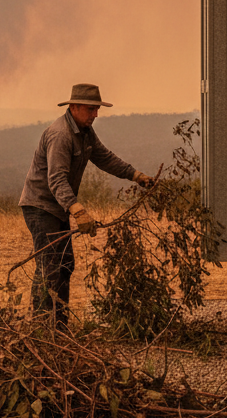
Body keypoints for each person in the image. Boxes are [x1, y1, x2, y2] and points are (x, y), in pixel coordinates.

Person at [18, 83, 152, 327]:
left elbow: (105, 158)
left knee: (65, 264)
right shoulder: (61, 135)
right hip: (40, 207)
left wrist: (136, 175)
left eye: (97, 109)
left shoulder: (85, 132)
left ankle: (58, 325)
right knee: (49, 268)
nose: (95, 114)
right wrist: (78, 210)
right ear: (74, 107)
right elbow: (56, 179)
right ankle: (41, 329)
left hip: (58, 208)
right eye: (91, 109)